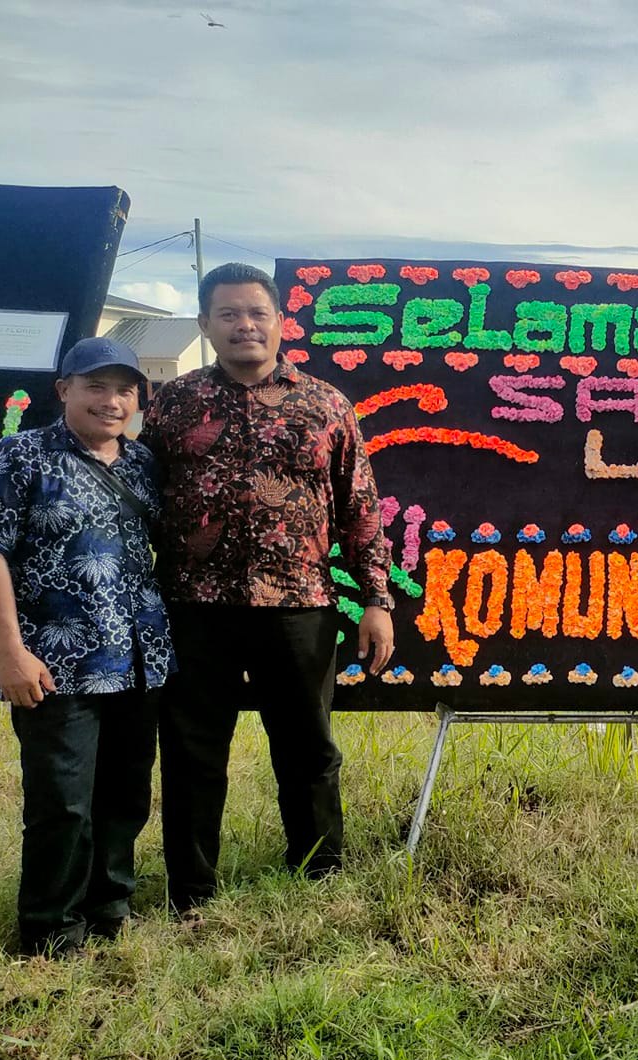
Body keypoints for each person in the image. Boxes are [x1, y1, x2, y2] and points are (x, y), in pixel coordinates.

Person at [143, 263, 396, 913]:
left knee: (308, 749)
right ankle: (191, 894)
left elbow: (360, 507)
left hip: (298, 605)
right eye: (228, 314)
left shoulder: (326, 404)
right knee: (192, 754)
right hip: (194, 606)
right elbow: (140, 495)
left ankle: (319, 878)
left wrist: (375, 599)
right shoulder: (173, 403)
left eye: (257, 313)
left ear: (281, 322)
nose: (244, 325)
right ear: (205, 324)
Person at [0, 338, 173, 954]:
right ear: (64, 390)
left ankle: (110, 909)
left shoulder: (143, 462)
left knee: (125, 795)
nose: (112, 401)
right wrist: (9, 650)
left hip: (138, 659)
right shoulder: (19, 455)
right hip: (55, 663)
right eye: (96, 386)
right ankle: (51, 931)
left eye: (125, 390)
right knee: (62, 803)